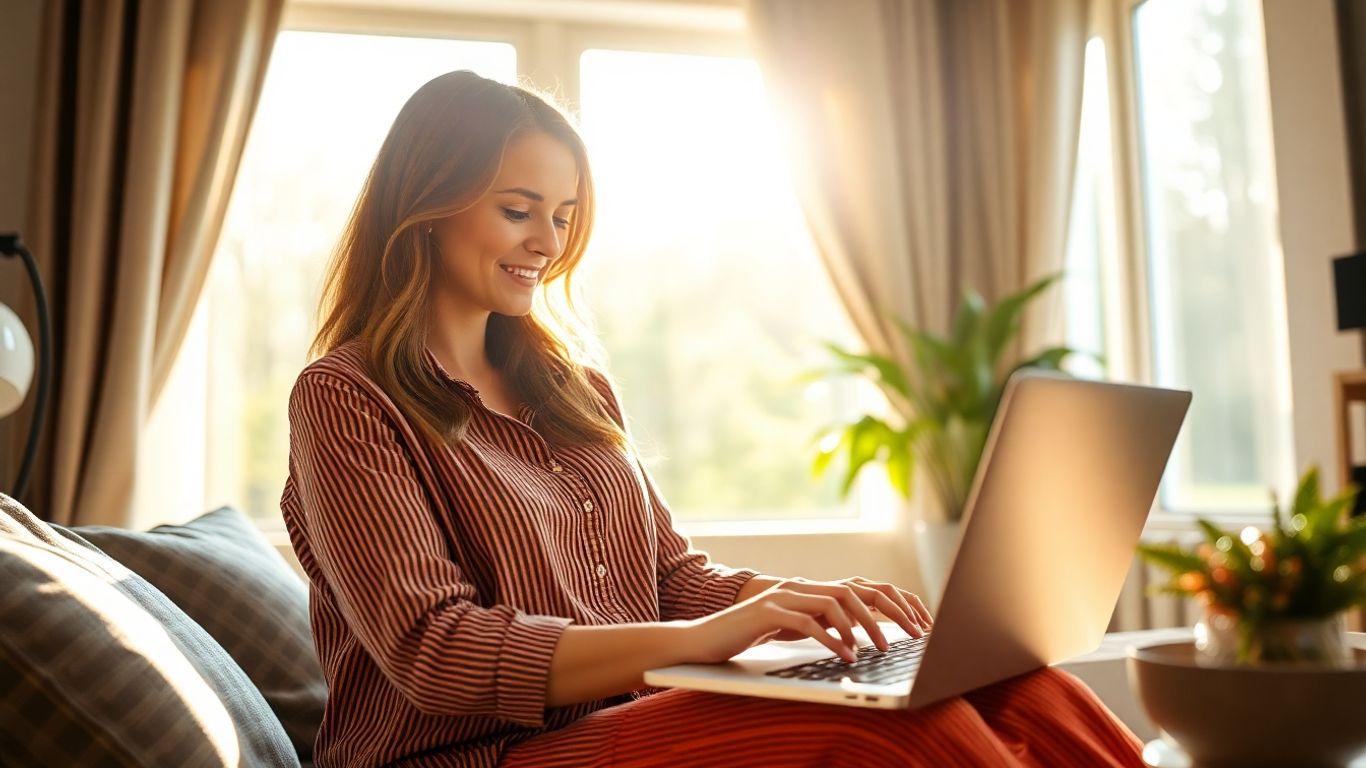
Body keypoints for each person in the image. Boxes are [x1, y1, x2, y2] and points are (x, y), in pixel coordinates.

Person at [281, 70, 1145, 768]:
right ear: (425, 204)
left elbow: (667, 575)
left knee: (1027, 689)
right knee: (891, 732)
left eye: (564, 215)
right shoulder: (346, 398)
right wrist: (702, 637)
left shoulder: (570, 386)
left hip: (622, 723)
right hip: (486, 756)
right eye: (517, 209)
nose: (546, 241)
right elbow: (435, 651)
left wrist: (792, 605)